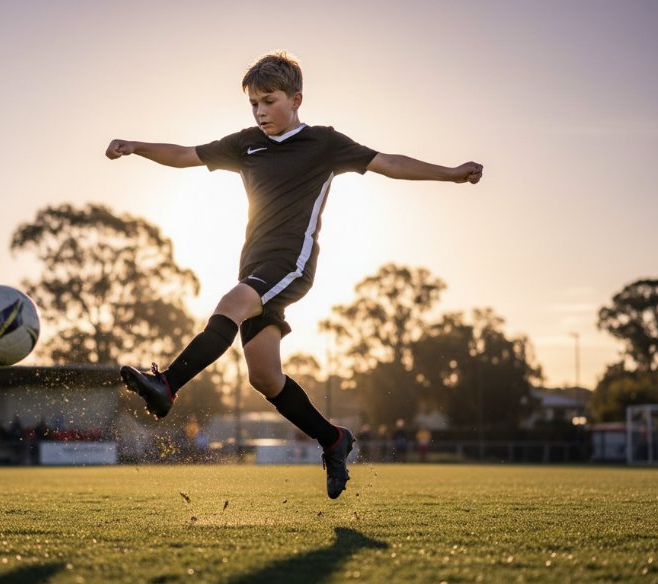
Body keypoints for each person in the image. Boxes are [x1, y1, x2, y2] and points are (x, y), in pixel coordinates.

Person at [106, 52, 483, 499]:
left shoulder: (324, 143)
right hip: (255, 269)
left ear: (296, 98)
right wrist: (136, 146)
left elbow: (390, 163)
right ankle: (334, 439)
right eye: (253, 103)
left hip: (291, 265)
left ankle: (167, 384)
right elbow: (187, 154)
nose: (260, 111)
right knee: (264, 378)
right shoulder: (247, 143)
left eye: (269, 100)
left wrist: (451, 174)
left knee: (229, 306)